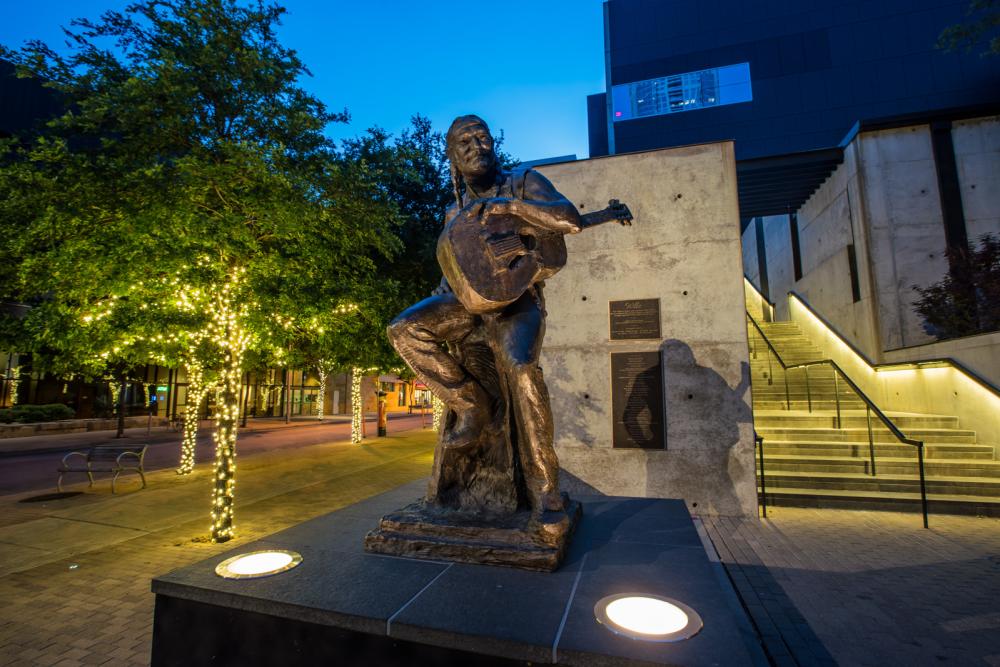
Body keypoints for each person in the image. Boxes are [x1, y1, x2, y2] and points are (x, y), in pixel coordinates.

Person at [387, 115, 581, 515]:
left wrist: (509, 207)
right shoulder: (451, 211)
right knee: (404, 329)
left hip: (517, 300)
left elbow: (569, 219)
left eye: (483, 137)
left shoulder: (524, 181)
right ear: (453, 157)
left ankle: (544, 486)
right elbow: (456, 272)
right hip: (467, 303)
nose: (476, 146)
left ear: (494, 144)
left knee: (522, 368)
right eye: (465, 142)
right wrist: (441, 300)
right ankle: (472, 403)